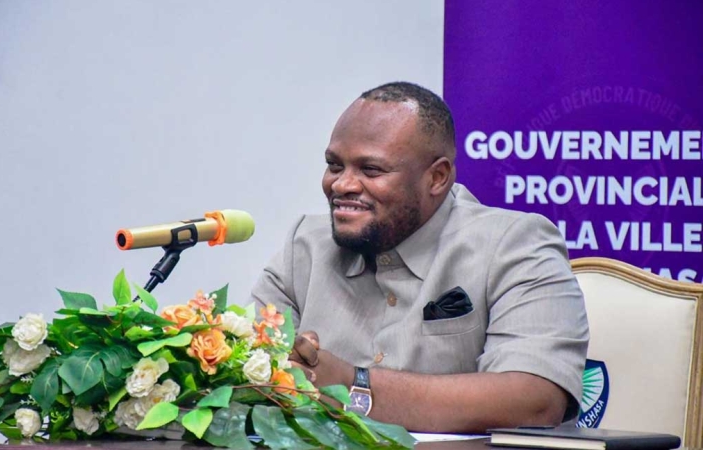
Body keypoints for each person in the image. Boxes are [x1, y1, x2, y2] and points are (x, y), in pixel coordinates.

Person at [249, 81, 589, 433]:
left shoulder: (514, 245)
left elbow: (535, 399)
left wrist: (353, 385)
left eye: (371, 170)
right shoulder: (305, 245)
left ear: (437, 178)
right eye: (335, 166)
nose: (342, 185)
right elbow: (242, 371)